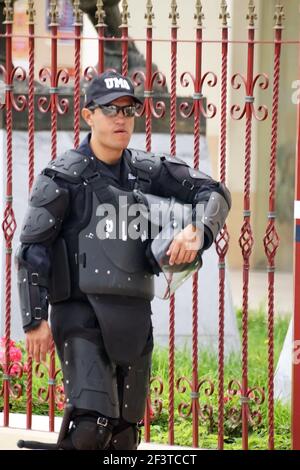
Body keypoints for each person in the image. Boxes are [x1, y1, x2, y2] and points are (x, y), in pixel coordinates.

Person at [15, 71, 231, 450]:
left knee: (124, 435)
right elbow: (33, 250)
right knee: (90, 430)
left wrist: (197, 230)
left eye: (129, 110)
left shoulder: (147, 172)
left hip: (134, 315)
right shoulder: (62, 176)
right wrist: (35, 320)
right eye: (110, 110)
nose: (121, 118)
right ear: (87, 115)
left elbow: (215, 192)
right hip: (80, 313)